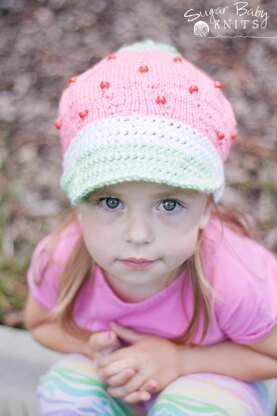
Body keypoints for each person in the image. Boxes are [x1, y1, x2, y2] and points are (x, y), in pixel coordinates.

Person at [24, 39, 277, 416]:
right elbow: (39, 322)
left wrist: (178, 362)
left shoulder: (232, 277)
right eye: (111, 202)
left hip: (214, 386)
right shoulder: (60, 256)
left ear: (208, 207)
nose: (138, 234)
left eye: (169, 204)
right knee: (69, 388)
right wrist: (103, 353)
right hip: (120, 383)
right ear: (78, 204)